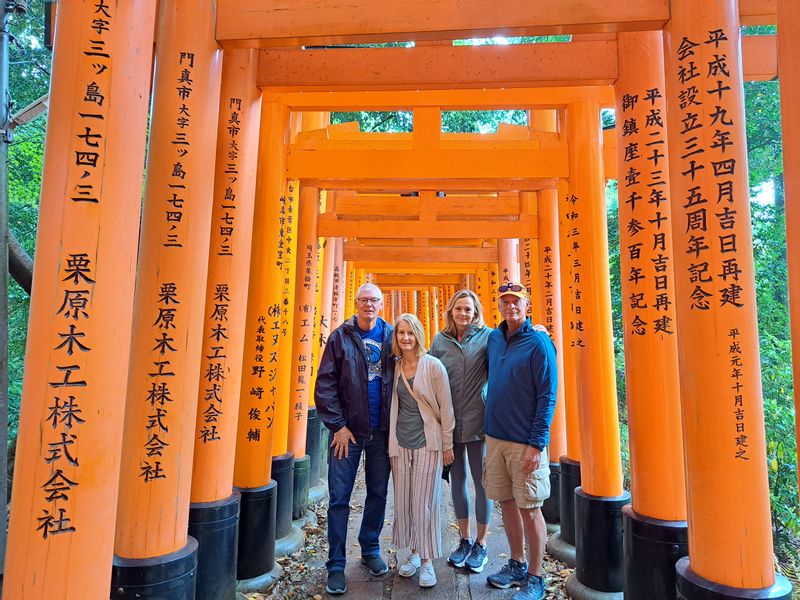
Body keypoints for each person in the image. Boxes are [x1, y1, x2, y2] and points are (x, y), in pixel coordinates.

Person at [315, 283, 395, 596]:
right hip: (346, 433)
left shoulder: (392, 336)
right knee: (339, 497)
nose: (369, 305)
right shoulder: (340, 337)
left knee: (377, 492)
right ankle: (336, 564)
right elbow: (324, 385)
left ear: (381, 303)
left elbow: (419, 362)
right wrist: (337, 425)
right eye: (363, 300)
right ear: (356, 302)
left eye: (374, 300)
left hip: (382, 431)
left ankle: (370, 548)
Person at [483, 282, 558, 600]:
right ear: (499, 305)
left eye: (516, 301)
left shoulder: (539, 342)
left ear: (526, 305)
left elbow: (548, 395)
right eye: (505, 301)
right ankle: (515, 562)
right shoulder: (494, 338)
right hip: (495, 437)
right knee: (506, 502)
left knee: (530, 507)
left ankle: (536, 577)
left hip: (525, 441)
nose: (510, 306)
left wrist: (536, 444)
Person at [428, 289, 493, 573]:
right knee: (457, 482)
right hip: (450, 423)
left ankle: (481, 543)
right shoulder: (440, 340)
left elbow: (511, 348)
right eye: (459, 309)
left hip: (479, 421)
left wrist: (538, 331)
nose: (464, 314)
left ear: (476, 312)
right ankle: (464, 539)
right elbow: (428, 371)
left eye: (469, 309)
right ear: (450, 311)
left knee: (482, 483)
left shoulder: (488, 337)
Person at [389, 313, 455, 589]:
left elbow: (447, 409)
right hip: (400, 443)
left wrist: (448, 445)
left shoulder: (433, 366)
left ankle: (427, 561)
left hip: (429, 443)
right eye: (401, 333)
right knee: (404, 501)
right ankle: (413, 554)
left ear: (418, 335)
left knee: (425, 503)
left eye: (410, 333)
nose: (406, 338)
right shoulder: (394, 367)